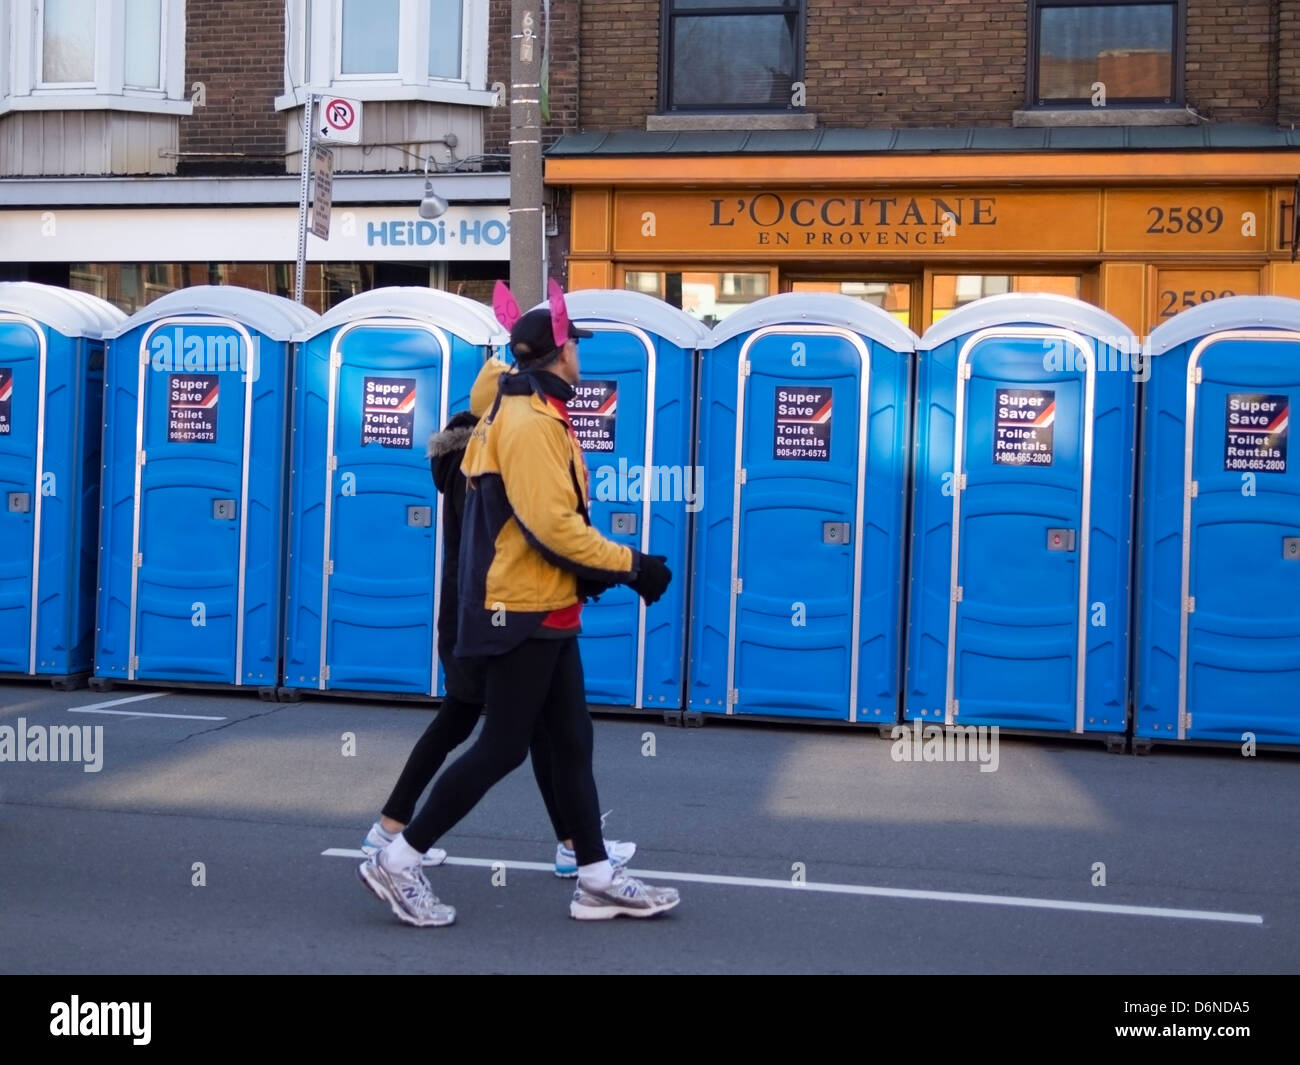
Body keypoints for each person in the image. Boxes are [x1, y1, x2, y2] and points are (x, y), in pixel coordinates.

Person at [358, 304, 678, 926]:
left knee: (571, 741)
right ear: (560, 354)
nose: (582, 355)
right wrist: (632, 566)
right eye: (577, 346)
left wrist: (601, 571)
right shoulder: (530, 422)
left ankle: (594, 876)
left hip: (547, 604)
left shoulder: (541, 414)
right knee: (502, 746)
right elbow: (550, 525)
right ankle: (398, 858)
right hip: (521, 608)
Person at [359, 397, 635, 877]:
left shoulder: (471, 463)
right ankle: (397, 841)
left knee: (513, 730)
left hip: (480, 614)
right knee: (502, 735)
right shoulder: (482, 471)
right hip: (492, 615)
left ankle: (572, 844)